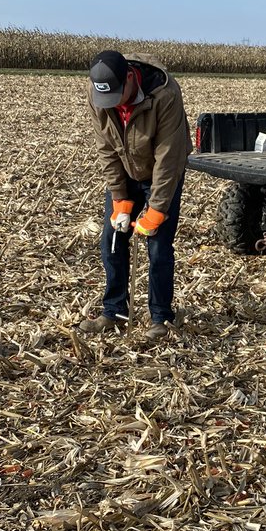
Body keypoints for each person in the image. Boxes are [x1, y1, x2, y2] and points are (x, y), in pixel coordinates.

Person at [80, 49, 192, 340]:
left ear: (129, 77)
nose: (114, 103)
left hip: (161, 172)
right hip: (125, 169)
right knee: (112, 239)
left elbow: (168, 158)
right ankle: (114, 311)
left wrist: (156, 210)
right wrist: (120, 199)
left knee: (158, 246)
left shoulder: (164, 95)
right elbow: (106, 148)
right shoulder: (97, 93)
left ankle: (161, 317)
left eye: (117, 95)